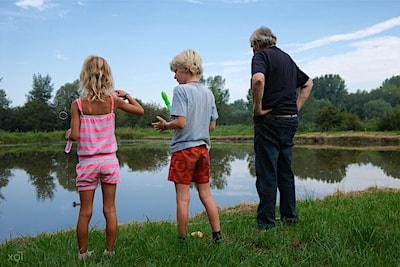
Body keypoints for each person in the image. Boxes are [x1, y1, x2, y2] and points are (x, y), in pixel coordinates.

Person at [65, 55, 144, 260]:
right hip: (109, 162)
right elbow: (140, 111)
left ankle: (83, 254)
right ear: (107, 76)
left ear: (85, 76)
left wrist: (68, 133)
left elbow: (74, 136)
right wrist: (127, 95)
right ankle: (110, 251)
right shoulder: (113, 101)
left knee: (85, 212)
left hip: (87, 164)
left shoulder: (78, 105)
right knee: (109, 208)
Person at [152, 49, 222, 245]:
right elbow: (212, 126)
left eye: (175, 71)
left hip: (183, 150)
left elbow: (180, 122)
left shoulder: (180, 90)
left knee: (183, 198)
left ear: (185, 69)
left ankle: (182, 240)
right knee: (206, 194)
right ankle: (217, 235)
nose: (174, 76)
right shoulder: (208, 92)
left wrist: (166, 125)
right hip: (202, 150)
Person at [249, 26, 313, 230]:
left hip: (270, 121)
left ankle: (266, 223)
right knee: (285, 171)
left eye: (252, 46)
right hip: (290, 121)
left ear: (257, 44)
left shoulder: (261, 56)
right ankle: (290, 218)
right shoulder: (287, 58)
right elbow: (308, 83)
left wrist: (257, 109)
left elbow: (258, 79)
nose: (252, 50)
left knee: (267, 173)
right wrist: (295, 108)